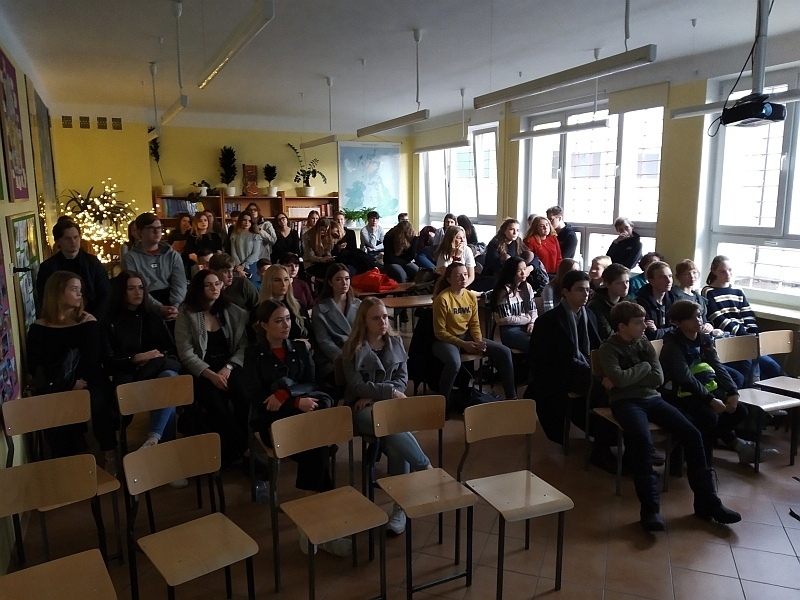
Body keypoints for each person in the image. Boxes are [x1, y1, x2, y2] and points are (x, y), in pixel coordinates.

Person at [598, 301, 741, 530]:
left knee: (692, 434)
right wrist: (643, 368)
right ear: (622, 326)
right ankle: (650, 511)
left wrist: (628, 376)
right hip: (625, 403)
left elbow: (658, 378)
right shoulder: (608, 348)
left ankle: (707, 502)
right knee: (642, 442)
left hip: (652, 398)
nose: (644, 326)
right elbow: (621, 379)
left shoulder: (644, 343)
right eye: (638, 323)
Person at [341, 297, 432, 535]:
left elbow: (403, 379)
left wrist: (379, 396)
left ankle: (400, 508)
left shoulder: (395, 341)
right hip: (361, 411)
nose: (383, 322)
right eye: (376, 318)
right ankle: (425, 468)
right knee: (391, 424)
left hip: (387, 407)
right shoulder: (352, 348)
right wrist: (388, 392)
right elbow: (357, 387)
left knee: (394, 438)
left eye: (384, 317)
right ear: (364, 321)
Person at [660, 300, 778, 466]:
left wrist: (733, 392)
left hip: (702, 387)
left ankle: (686, 452)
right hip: (678, 392)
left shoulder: (704, 339)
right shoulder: (673, 345)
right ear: (678, 323)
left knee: (739, 411)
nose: (698, 321)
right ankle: (701, 461)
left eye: (699, 316)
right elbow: (685, 379)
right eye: (692, 318)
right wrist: (711, 400)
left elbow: (717, 366)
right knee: (709, 417)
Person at [28, 271, 117, 467]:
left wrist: (77, 383)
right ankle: (71, 457)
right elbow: (35, 364)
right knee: (56, 404)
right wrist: (67, 384)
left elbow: (91, 360)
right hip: (57, 380)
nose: (80, 294)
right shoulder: (38, 328)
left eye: (80, 289)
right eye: (74, 289)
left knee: (98, 402)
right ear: (58, 293)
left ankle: (110, 454)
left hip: (88, 377)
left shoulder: (88, 322)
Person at [102, 271, 184, 470]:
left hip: (156, 372)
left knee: (169, 379)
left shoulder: (153, 317)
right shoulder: (109, 321)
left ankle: (154, 440)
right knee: (166, 389)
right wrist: (136, 358)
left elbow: (171, 351)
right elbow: (108, 362)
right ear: (121, 291)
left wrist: (154, 357)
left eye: (140, 288)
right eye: (131, 288)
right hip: (128, 377)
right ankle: (165, 456)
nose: (137, 292)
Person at [175, 270, 249, 466]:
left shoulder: (232, 311)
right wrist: (211, 375)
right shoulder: (186, 313)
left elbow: (243, 346)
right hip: (202, 370)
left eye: (217, 284)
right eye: (208, 285)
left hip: (229, 366)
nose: (214, 288)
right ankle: (245, 450)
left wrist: (229, 367)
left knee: (243, 396)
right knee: (216, 405)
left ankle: (238, 448)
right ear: (199, 288)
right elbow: (186, 353)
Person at [527, 270, 600, 444]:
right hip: (559, 374)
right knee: (601, 388)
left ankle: (608, 434)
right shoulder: (549, 321)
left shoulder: (589, 315)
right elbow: (540, 360)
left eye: (588, 290)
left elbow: (597, 347)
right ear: (566, 292)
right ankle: (603, 436)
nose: (586, 294)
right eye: (580, 290)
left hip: (585, 368)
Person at [432, 262, 517, 408]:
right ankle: (443, 404)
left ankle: (512, 398)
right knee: (454, 363)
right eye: (458, 276)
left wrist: (478, 341)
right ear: (449, 279)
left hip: (466, 336)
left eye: (465, 275)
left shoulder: (470, 296)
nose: (463, 278)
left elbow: (474, 324)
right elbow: (440, 332)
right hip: (445, 340)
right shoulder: (443, 298)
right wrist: (463, 344)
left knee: (504, 352)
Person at [702, 255, 782, 383]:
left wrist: (753, 334)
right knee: (751, 368)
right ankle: (754, 387)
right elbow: (718, 319)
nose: (728, 274)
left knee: (772, 366)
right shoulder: (708, 291)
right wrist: (744, 335)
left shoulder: (738, 291)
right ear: (714, 271)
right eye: (723, 271)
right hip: (731, 338)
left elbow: (748, 315)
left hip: (748, 338)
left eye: (730, 270)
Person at [37, 219, 111, 318]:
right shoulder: (48, 267)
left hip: (92, 316)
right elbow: (45, 298)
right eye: (67, 238)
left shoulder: (93, 263)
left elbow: (105, 293)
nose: (73, 242)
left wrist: (92, 319)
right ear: (57, 241)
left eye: (76, 237)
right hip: (60, 319)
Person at [121, 212, 187, 321]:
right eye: (152, 228)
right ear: (140, 232)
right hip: (145, 302)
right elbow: (136, 289)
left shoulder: (172, 255)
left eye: (159, 228)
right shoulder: (130, 258)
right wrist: (159, 308)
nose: (157, 232)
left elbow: (179, 284)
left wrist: (175, 306)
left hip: (172, 301)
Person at [312, 263, 361, 386]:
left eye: (347, 279)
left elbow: (365, 332)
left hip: (359, 353)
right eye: (338, 279)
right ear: (330, 282)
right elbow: (324, 341)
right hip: (333, 359)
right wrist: (344, 358)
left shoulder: (359, 304)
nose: (344, 283)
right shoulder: (320, 309)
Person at [489, 257, 537, 352]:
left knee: (547, 339)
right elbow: (506, 319)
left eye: (524, 269)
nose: (523, 273)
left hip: (527, 326)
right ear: (511, 272)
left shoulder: (527, 287)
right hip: (510, 330)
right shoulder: (503, 291)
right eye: (519, 271)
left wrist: (532, 323)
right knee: (535, 343)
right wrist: (527, 319)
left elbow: (533, 310)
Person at [259, 264, 310, 346]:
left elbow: (310, 334)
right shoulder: (260, 309)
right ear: (268, 283)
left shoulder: (299, 306)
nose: (283, 284)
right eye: (277, 280)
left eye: (286, 279)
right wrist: (295, 344)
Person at [587, 263, 631, 340]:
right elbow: (607, 335)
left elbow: (638, 329)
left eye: (627, 282)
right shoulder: (596, 305)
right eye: (619, 283)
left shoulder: (630, 302)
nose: (625, 286)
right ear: (607, 284)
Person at [636, 261, 678, 340]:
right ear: (651, 281)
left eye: (670, 276)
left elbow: (678, 328)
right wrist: (669, 330)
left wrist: (658, 332)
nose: (669, 281)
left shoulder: (673, 299)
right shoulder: (641, 302)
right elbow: (650, 334)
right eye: (662, 277)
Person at [229, 211, 263, 280]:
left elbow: (255, 254)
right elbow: (233, 253)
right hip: (237, 267)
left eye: (249, 221)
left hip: (251, 265)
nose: (247, 222)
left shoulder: (255, 236)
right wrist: (239, 267)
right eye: (244, 220)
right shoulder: (234, 235)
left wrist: (244, 266)